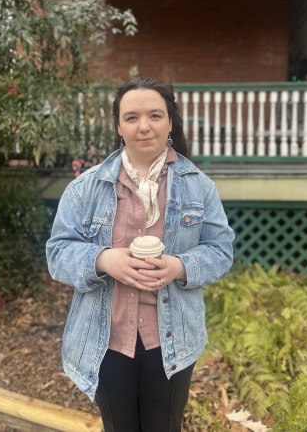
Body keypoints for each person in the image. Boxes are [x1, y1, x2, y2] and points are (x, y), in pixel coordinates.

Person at [46, 76, 235, 432]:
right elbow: (57, 253)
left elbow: (220, 251)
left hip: (172, 338)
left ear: (170, 123)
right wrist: (103, 259)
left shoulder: (199, 186)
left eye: (155, 115)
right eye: (132, 117)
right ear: (119, 126)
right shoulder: (86, 188)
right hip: (107, 337)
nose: (144, 126)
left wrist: (180, 266)